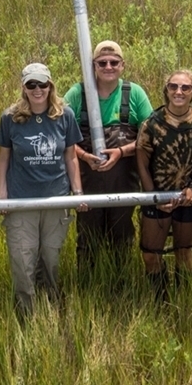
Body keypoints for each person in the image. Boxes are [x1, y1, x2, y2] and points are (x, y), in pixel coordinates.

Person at [0, 63, 87, 318]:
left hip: (55, 198)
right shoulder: (10, 117)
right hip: (21, 200)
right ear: (24, 87)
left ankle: (50, 309)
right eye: (31, 85)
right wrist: (2, 194)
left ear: (50, 86)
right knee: (23, 261)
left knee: (50, 258)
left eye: (42, 84)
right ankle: (26, 314)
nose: (37, 90)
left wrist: (77, 192)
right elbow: (3, 159)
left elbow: (70, 157)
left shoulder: (64, 115)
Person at [63, 40, 153, 274]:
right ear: (93, 65)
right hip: (87, 179)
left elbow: (151, 135)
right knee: (88, 234)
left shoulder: (134, 93)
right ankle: (87, 285)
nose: (108, 66)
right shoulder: (76, 93)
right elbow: (60, 135)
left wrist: (121, 152)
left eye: (114, 62)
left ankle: (120, 283)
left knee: (122, 233)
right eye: (102, 62)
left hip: (124, 179)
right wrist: (84, 155)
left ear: (123, 65)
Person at [135, 69, 192, 300]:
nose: (179, 92)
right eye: (173, 87)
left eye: (185, 88)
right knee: (150, 254)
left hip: (189, 196)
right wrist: (153, 197)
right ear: (166, 90)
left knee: (184, 252)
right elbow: (141, 163)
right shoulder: (151, 124)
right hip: (157, 197)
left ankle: (183, 300)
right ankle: (161, 300)